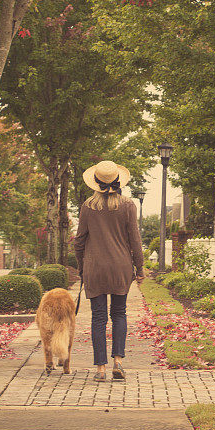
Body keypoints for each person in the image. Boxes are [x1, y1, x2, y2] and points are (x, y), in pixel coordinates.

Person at [74, 160, 145, 382]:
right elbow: (135, 241)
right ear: (118, 181)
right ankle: (118, 363)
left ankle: (100, 369)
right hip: (120, 268)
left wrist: (81, 267)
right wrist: (140, 268)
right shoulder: (128, 205)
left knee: (98, 318)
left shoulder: (88, 206)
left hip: (95, 268)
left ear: (96, 183)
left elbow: (79, 242)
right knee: (119, 314)